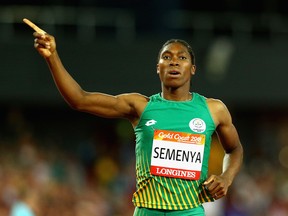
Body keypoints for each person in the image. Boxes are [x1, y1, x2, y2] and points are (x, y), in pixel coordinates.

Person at [23, 18, 243, 216]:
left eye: (182, 57)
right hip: (147, 211)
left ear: (192, 68)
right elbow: (80, 99)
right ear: (158, 68)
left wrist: (226, 177)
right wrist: (52, 58)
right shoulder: (140, 106)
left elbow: (234, 149)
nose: (174, 61)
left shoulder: (213, 109)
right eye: (167, 57)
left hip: (189, 211)